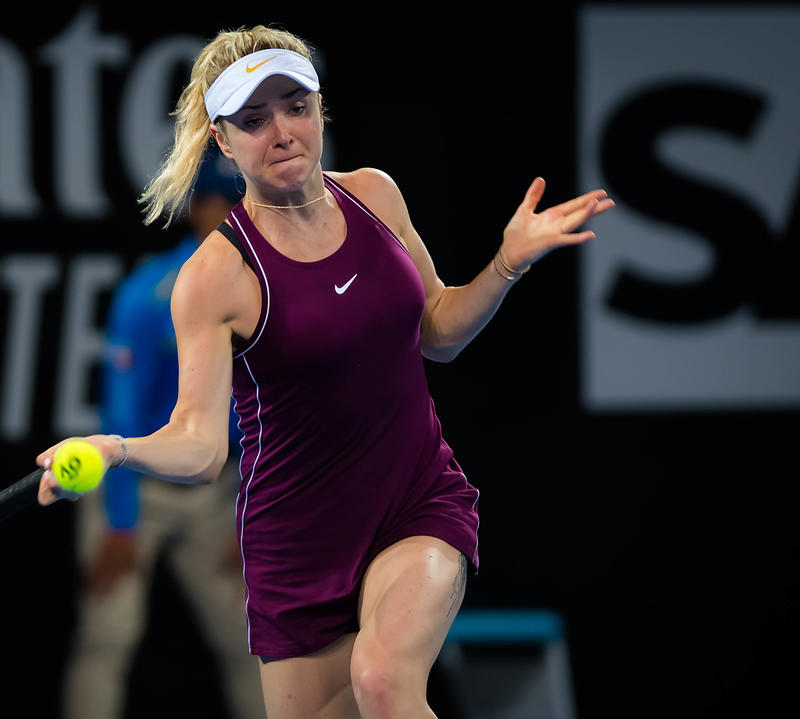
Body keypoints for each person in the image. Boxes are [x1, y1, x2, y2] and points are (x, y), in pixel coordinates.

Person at [38, 25, 614, 719]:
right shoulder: (214, 277)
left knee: (383, 678)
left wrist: (505, 265)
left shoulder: (377, 196)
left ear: (319, 109)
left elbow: (439, 331)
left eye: (296, 106)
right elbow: (200, 446)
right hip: (297, 550)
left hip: (414, 503)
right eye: (254, 119)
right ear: (223, 140)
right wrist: (115, 449)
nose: (282, 132)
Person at [62, 151, 264, 719]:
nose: (233, 216)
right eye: (220, 203)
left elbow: (276, 413)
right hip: (134, 487)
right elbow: (122, 411)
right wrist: (119, 522)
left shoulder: (269, 290)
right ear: (196, 208)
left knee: (255, 642)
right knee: (107, 638)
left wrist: (251, 519)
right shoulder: (149, 292)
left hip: (217, 495)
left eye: (243, 203)